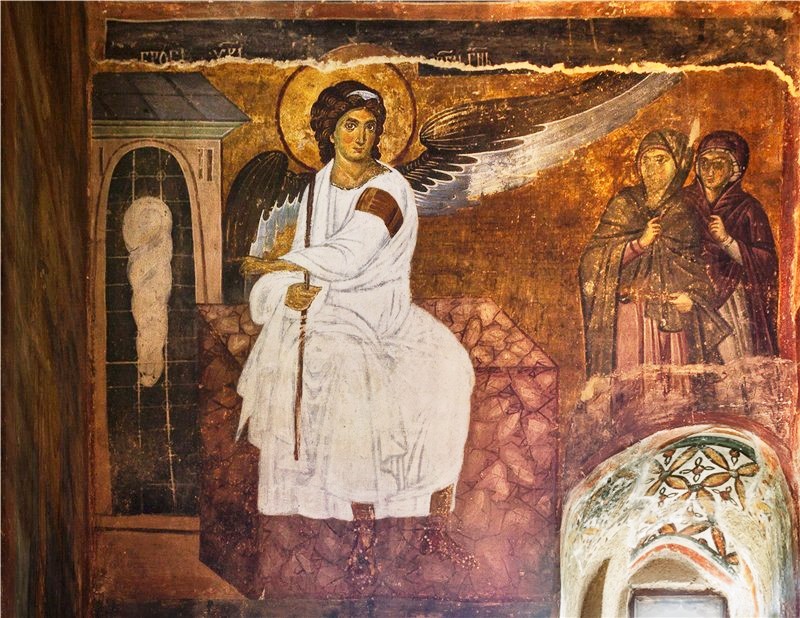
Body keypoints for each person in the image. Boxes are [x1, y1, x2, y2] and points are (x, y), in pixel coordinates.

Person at [236, 81, 476, 587]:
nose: (361, 136)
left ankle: (433, 521)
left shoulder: (388, 188)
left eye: (369, 127)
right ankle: (362, 536)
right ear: (330, 130)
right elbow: (316, 265)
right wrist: (288, 290)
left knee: (451, 366)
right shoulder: (318, 187)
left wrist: (276, 265)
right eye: (350, 125)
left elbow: (352, 253)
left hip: (385, 315)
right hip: (333, 314)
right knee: (354, 379)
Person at [580, 129, 729, 379]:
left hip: (671, 319)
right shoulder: (624, 204)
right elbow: (591, 261)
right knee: (630, 382)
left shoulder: (684, 213)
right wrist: (639, 244)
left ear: (677, 165)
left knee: (673, 386)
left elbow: (696, 272)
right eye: (645, 160)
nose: (652, 168)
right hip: (630, 314)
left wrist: (692, 300)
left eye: (661, 160)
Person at [685, 130, 779, 360]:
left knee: (733, 360)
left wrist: (728, 242)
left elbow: (767, 261)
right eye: (704, 163)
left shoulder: (748, 208)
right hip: (691, 295)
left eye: (718, 165)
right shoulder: (683, 202)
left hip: (732, 296)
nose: (709, 171)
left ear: (734, 169)